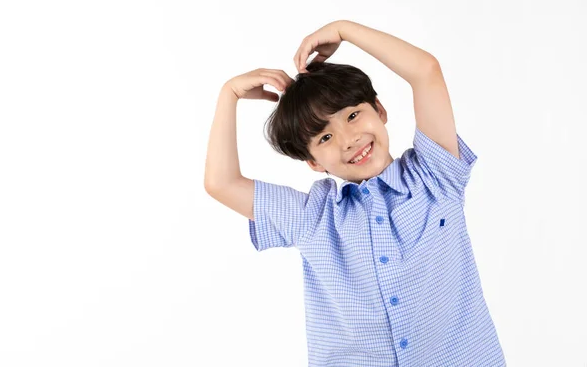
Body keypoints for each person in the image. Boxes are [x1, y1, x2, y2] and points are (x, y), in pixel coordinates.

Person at [204, 20, 506, 366]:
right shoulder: (315, 217)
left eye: (352, 115)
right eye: (325, 138)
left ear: (379, 111)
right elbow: (221, 182)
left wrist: (345, 30)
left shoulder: (435, 177)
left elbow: (426, 71)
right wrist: (229, 95)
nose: (349, 139)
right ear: (314, 162)